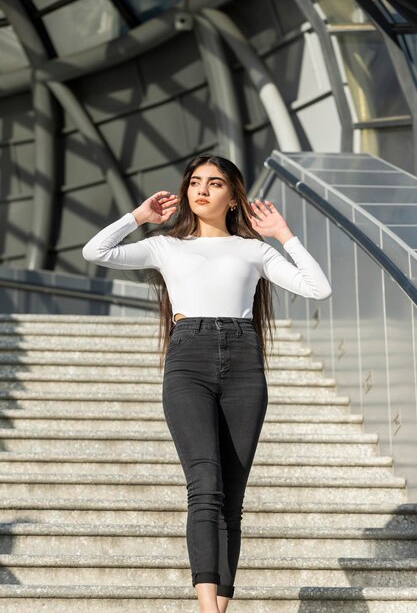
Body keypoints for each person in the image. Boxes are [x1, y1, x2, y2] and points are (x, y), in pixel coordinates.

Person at [82, 154, 332, 613]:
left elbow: (319, 289)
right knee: (205, 483)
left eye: (215, 183)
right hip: (188, 357)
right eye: (195, 182)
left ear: (234, 196)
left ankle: (220, 606)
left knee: (232, 496)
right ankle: (205, 609)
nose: (201, 190)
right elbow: (95, 252)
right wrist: (137, 217)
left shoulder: (252, 250)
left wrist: (284, 236)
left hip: (243, 359)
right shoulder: (165, 246)